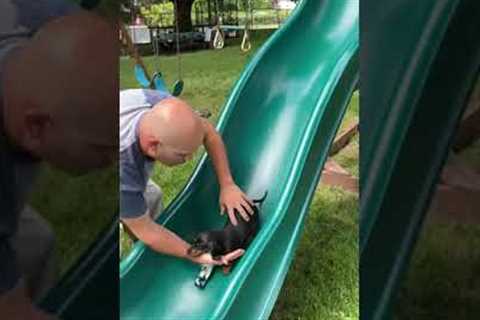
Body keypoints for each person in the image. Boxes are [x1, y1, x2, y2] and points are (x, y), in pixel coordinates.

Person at [0, 4, 117, 318]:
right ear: (35, 127)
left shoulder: (36, 14)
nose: (112, 162)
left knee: (38, 244)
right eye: (103, 149)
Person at [120, 88, 253, 265]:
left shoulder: (157, 103)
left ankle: (156, 251)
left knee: (152, 196)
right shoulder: (124, 170)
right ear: (153, 146)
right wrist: (195, 255)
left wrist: (227, 184)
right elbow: (148, 232)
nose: (188, 159)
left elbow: (209, 133)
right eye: (182, 155)